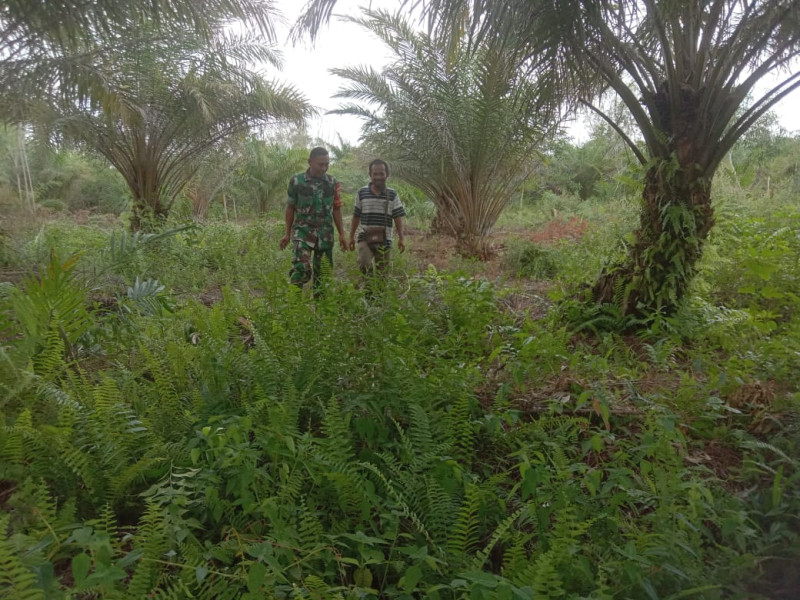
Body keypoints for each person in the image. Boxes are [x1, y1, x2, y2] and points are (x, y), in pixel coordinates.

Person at [279, 147, 348, 292]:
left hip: (325, 234)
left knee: (323, 275)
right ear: (310, 162)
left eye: (327, 164)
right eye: (320, 164)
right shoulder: (297, 181)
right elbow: (290, 207)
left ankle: (321, 310)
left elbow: (336, 208)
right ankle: (294, 306)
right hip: (302, 232)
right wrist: (287, 233)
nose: (324, 168)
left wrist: (342, 234)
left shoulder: (332, 182)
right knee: (300, 269)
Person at [348, 159, 405, 274]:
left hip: (385, 238)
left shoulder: (392, 194)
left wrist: (401, 238)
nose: (378, 177)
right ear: (370, 175)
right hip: (365, 236)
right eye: (375, 174)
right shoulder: (362, 193)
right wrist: (351, 237)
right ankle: (368, 289)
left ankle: (379, 291)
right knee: (363, 263)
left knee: (383, 273)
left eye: (381, 173)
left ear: (387, 175)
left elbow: (397, 217)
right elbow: (356, 215)